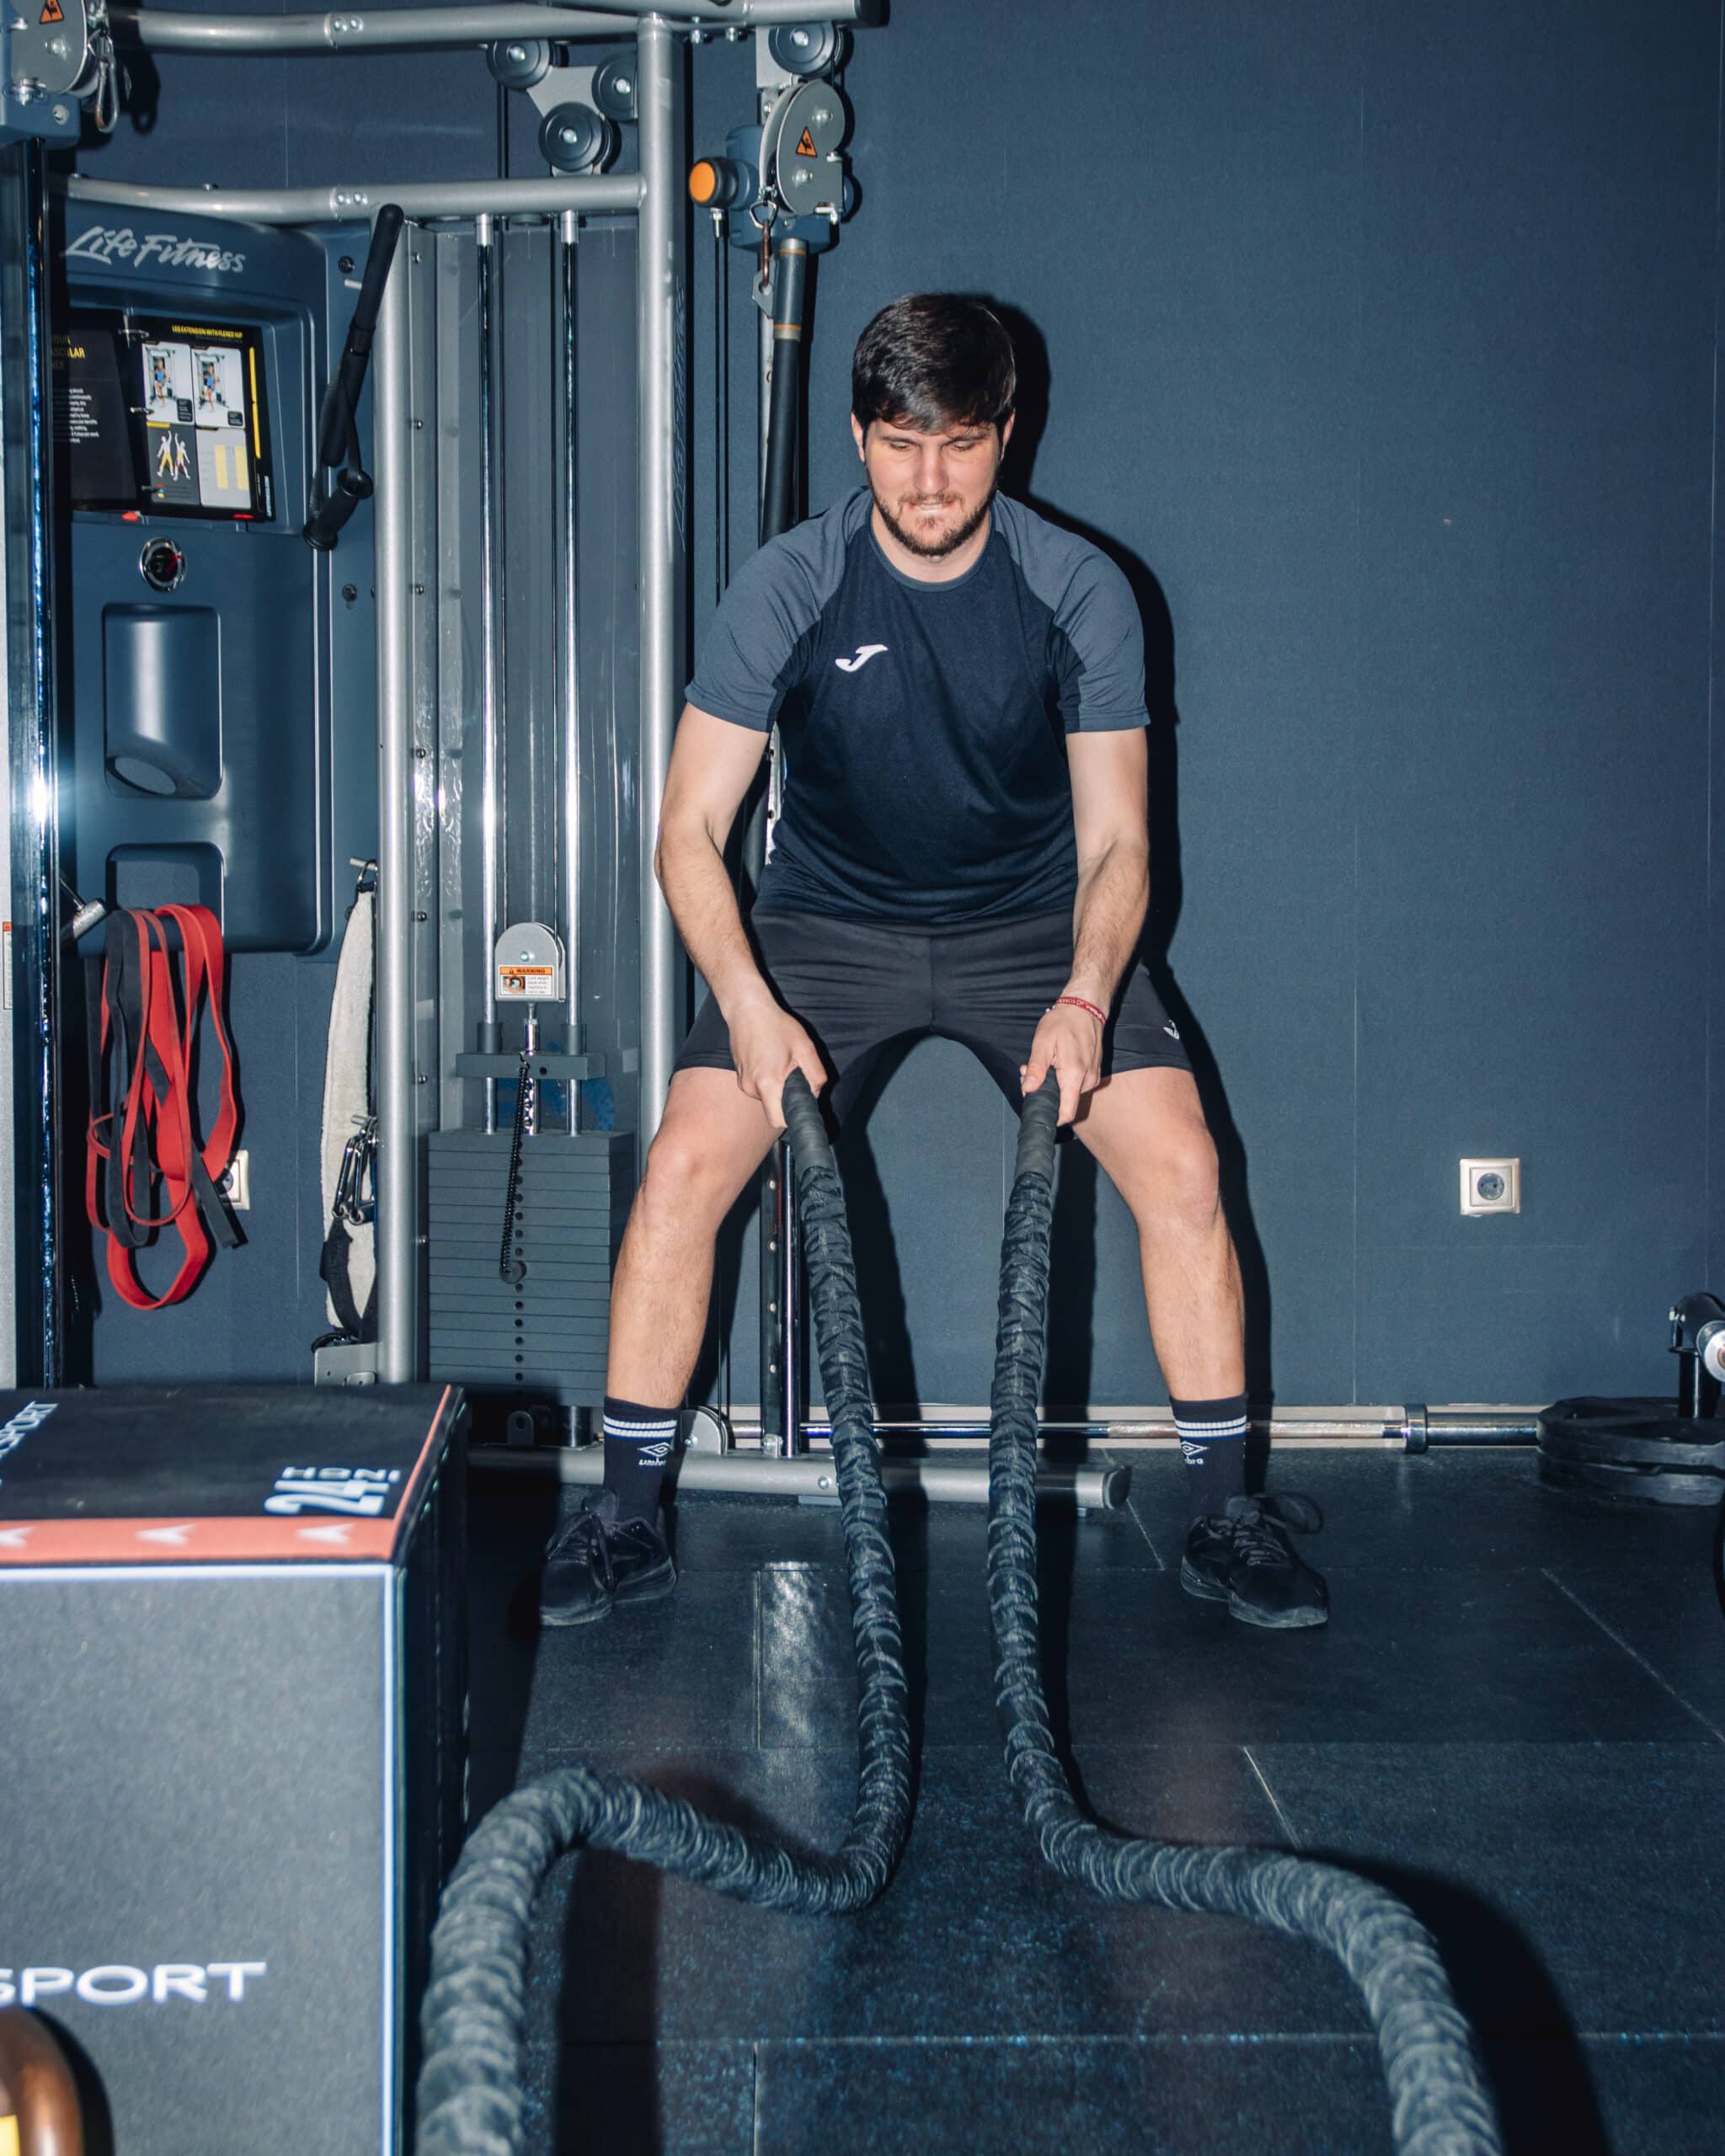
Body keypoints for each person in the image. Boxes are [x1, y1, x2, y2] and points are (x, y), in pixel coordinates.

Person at [540, 294, 1328, 1633]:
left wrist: (1085, 996)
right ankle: (622, 1515)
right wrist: (745, 999)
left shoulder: (1077, 588)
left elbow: (1123, 843)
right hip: (824, 925)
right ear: (859, 438)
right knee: (682, 1164)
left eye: (961, 443)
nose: (930, 479)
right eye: (902, 444)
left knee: (1186, 1166)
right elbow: (686, 831)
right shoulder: (789, 582)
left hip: (1031, 925)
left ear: (1005, 437)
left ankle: (1222, 1519)